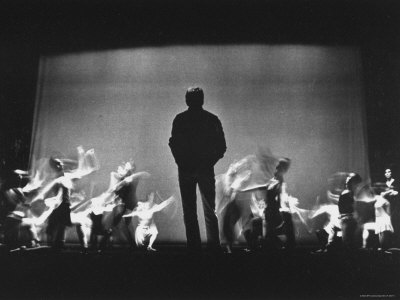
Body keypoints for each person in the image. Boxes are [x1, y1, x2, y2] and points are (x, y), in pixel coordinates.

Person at [169, 87, 227, 253]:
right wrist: (208, 163)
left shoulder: (180, 119)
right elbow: (221, 147)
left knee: (189, 210)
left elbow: (174, 143)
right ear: (202, 100)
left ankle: (194, 247)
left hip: (186, 169)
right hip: (205, 169)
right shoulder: (212, 119)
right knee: (210, 209)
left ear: (187, 100)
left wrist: (182, 162)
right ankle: (213, 246)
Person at [263, 158, 295, 251]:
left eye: (279, 166)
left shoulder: (279, 180)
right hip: (271, 209)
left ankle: (283, 248)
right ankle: (283, 247)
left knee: (270, 235)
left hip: (273, 210)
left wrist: (282, 208)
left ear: (282, 169)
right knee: (270, 235)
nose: (276, 167)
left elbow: (278, 195)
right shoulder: (276, 180)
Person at [338, 173, 362, 251]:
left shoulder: (360, 194)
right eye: (346, 182)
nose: (347, 183)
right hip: (347, 220)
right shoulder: (344, 195)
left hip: (357, 221)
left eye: (349, 182)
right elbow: (342, 211)